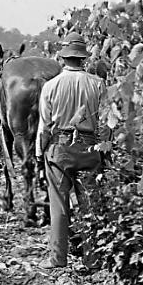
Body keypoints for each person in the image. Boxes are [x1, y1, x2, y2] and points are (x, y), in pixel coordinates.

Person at [35, 32, 107, 270]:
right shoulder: (98, 84)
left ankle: (58, 258)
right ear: (83, 57)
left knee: (59, 205)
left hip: (60, 148)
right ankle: (92, 258)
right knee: (90, 205)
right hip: (89, 147)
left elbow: (44, 126)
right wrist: (105, 151)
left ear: (63, 57)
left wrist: (39, 153)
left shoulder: (50, 86)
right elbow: (106, 124)